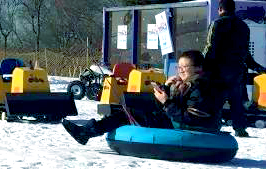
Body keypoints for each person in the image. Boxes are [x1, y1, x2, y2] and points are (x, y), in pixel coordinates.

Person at [61, 50, 219, 146]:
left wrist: (166, 101)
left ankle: (86, 132)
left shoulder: (201, 88)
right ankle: (88, 131)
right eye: (179, 67)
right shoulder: (186, 84)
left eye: (185, 67)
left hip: (188, 127)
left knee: (129, 114)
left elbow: (190, 117)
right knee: (130, 107)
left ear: (198, 68)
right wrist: (165, 88)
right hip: (176, 119)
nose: (181, 71)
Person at [204, 0, 266, 138]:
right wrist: (256, 67)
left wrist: (202, 65)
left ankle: (213, 127)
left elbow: (210, 48)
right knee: (236, 101)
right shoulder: (244, 27)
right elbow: (245, 52)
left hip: (218, 70)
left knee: (216, 100)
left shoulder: (217, 24)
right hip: (237, 71)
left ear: (220, 9)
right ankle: (240, 129)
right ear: (234, 10)